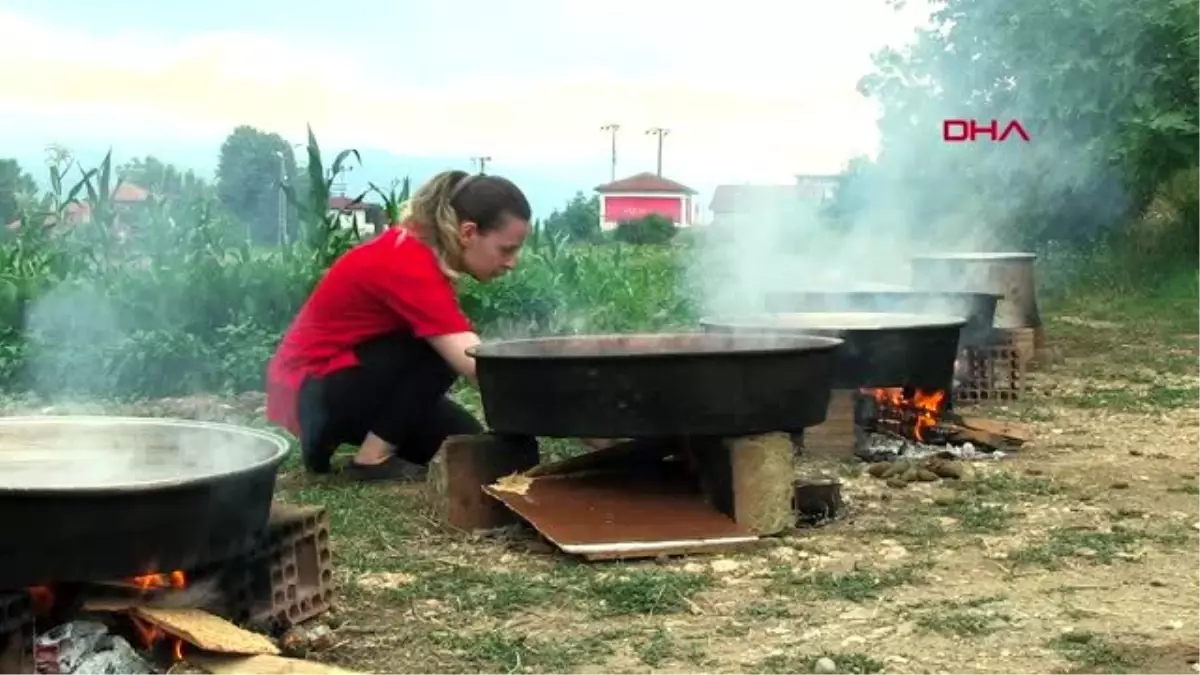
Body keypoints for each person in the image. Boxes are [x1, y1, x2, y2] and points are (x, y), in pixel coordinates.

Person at [265, 170, 532, 482]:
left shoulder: (419, 251)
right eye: (506, 249)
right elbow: (477, 365)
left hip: (341, 384)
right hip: (311, 391)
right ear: (469, 232)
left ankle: (343, 444)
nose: (512, 262)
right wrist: (563, 410)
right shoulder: (407, 260)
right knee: (444, 349)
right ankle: (370, 459)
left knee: (466, 442)